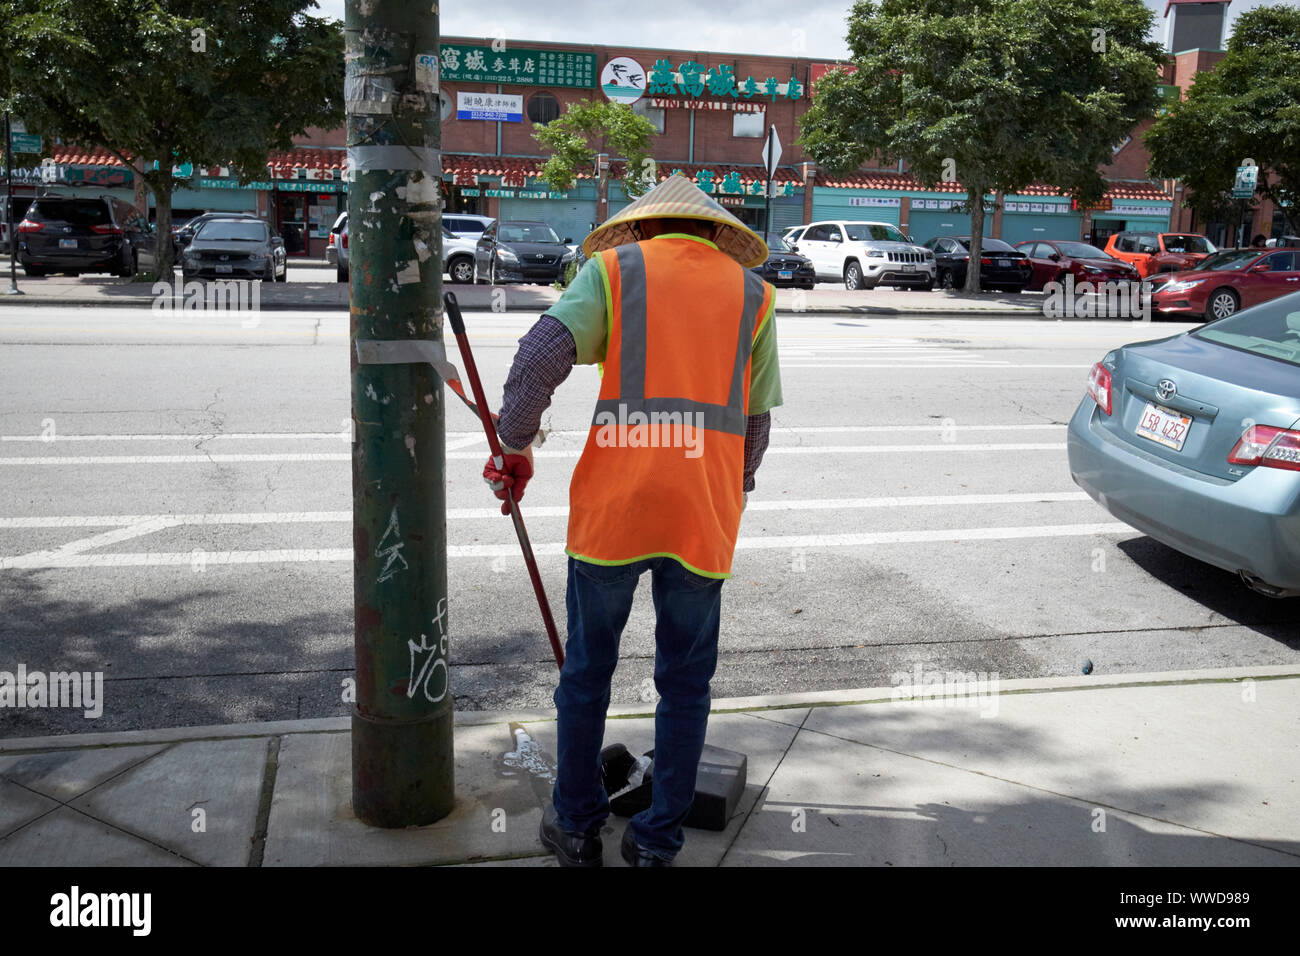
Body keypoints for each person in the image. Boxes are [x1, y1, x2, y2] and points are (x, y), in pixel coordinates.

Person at [481, 175, 782, 866]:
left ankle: (579, 824)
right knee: (685, 682)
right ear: (713, 234)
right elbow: (756, 424)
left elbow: (535, 361)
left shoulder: (615, 271)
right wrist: (729, 490)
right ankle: (656, 844)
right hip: (701, 519)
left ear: (644, 229)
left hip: (616, 512)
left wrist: (513, 446)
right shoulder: (754, 295)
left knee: (587, 673)